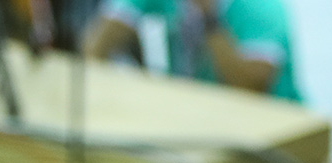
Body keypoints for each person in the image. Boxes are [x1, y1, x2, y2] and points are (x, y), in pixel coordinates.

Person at [82, 0, 302, 99]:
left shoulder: (262, 7)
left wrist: (208, 17)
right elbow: (93, 50)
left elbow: (251, 89)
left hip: (277, 130)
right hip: (200, 117)